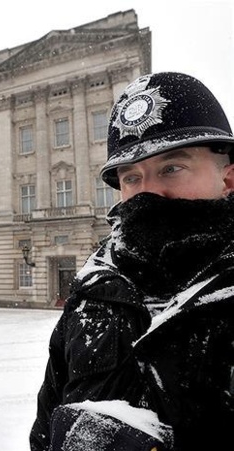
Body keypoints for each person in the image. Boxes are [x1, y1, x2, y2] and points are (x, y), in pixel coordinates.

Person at [29, 72, 234, 451]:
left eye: (172, 168)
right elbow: (44, 430)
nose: (148, 191)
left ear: (229, 179)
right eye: (131, 177)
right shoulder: (92, 294)